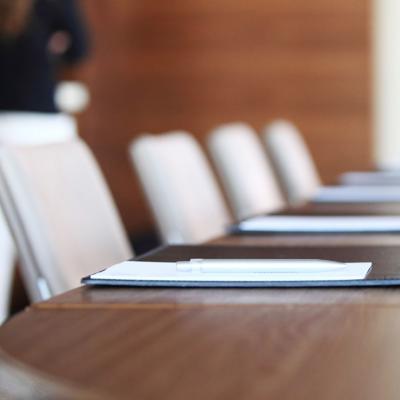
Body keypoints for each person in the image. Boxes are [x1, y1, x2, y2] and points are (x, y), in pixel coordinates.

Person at [0, 0, 90, 323]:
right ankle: (61, 326)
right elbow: (80, 50)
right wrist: (53, 45)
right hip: (42, 129)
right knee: (56, 238)